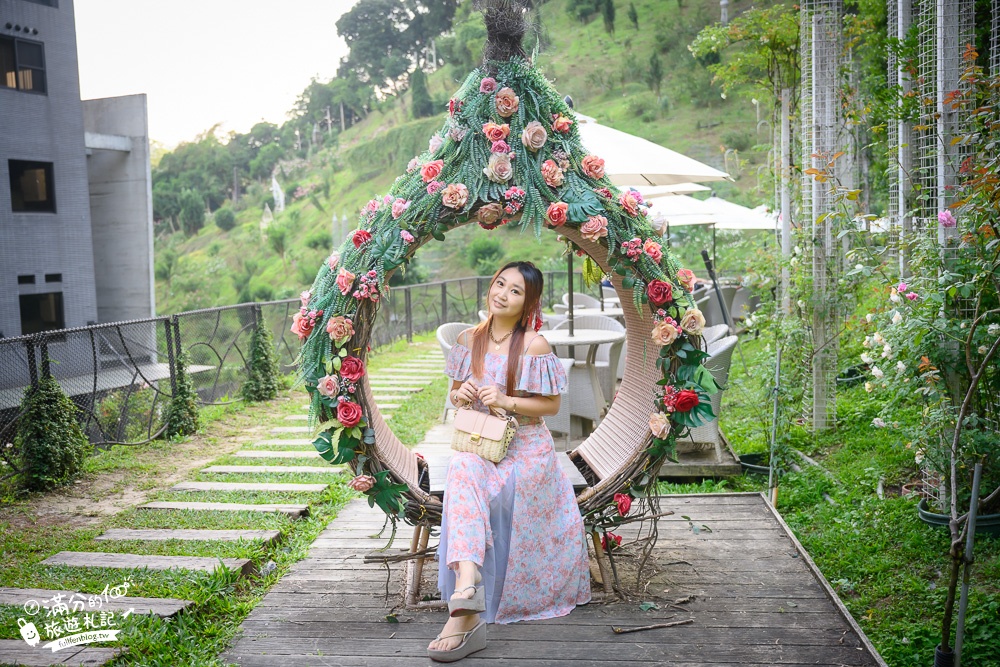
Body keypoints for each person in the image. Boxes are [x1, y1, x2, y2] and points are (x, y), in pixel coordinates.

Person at [427, 261, 591, 662]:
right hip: (482, 442)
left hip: (527, 447)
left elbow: (550, 406)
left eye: (515, 291)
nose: (502, 293)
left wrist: (505, 400)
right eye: (500, 283)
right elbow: (453, 396)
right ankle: (468, 582)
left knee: (482, 480)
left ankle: (467, 609)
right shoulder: (469, 340)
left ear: (528, 302)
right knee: (463, 468)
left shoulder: (534, 344)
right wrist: (462, 395)